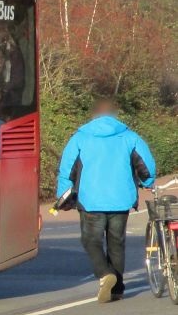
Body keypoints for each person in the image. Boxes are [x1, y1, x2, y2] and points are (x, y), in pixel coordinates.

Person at [57, 98, 157, 303]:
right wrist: (148, 182)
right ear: (114, 115)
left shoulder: (80, 138)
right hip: (121, 198)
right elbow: (146, 167)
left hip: (90, 198)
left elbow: (66, 170)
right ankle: (117, 289)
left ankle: (105, 274)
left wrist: (63, 197)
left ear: (93, 116)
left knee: (90, 240)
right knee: (116, 243)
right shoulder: (130, 137)